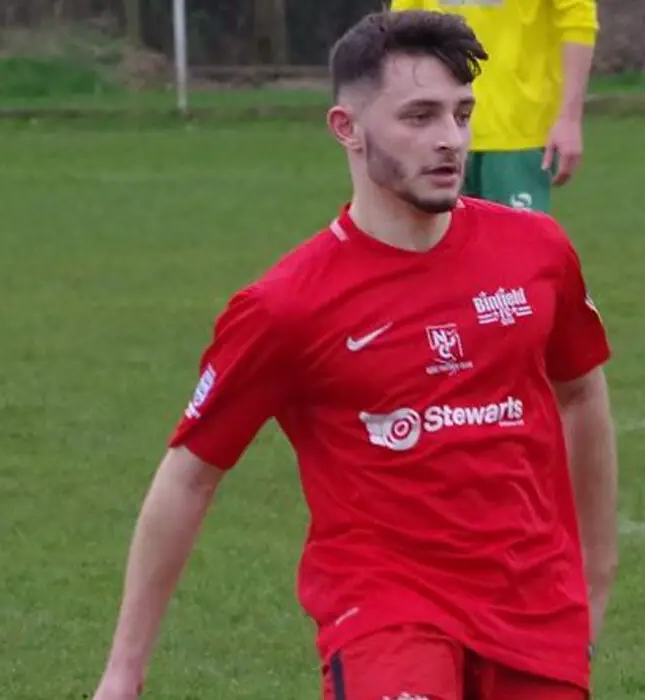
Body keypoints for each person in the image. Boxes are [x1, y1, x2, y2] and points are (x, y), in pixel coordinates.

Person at [90, 10, 617, 700]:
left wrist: (594, 575)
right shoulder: (286, 307)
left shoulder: (537, 253)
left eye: (461, 114)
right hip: (386, 619)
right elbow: (190, 475)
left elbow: (581, 394)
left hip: (534, 614)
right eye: (420, 116)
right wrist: (124, 671)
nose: (450, 140)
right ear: (347, 129)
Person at [388, 0, 598, 213]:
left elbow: (578, 18)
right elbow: (401, 28)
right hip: (436, 130)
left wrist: (569, 118)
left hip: (516, 133)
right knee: (434, 242)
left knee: (515, 243)